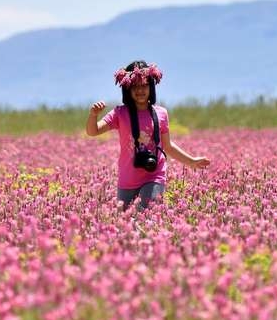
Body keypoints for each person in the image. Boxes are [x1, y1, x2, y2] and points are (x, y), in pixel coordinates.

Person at [86, 60, 210, 211]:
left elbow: (168, 146)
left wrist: (191, 161)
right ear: (127, 89)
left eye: (144, 85)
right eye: (135, 87)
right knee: (125, 224)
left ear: (151, 86)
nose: (140, 90)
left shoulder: (161, 113)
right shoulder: (120, 113)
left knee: (147, 212)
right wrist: (93, 115)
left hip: (154, 174)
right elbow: (93, 131)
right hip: (128, 178)